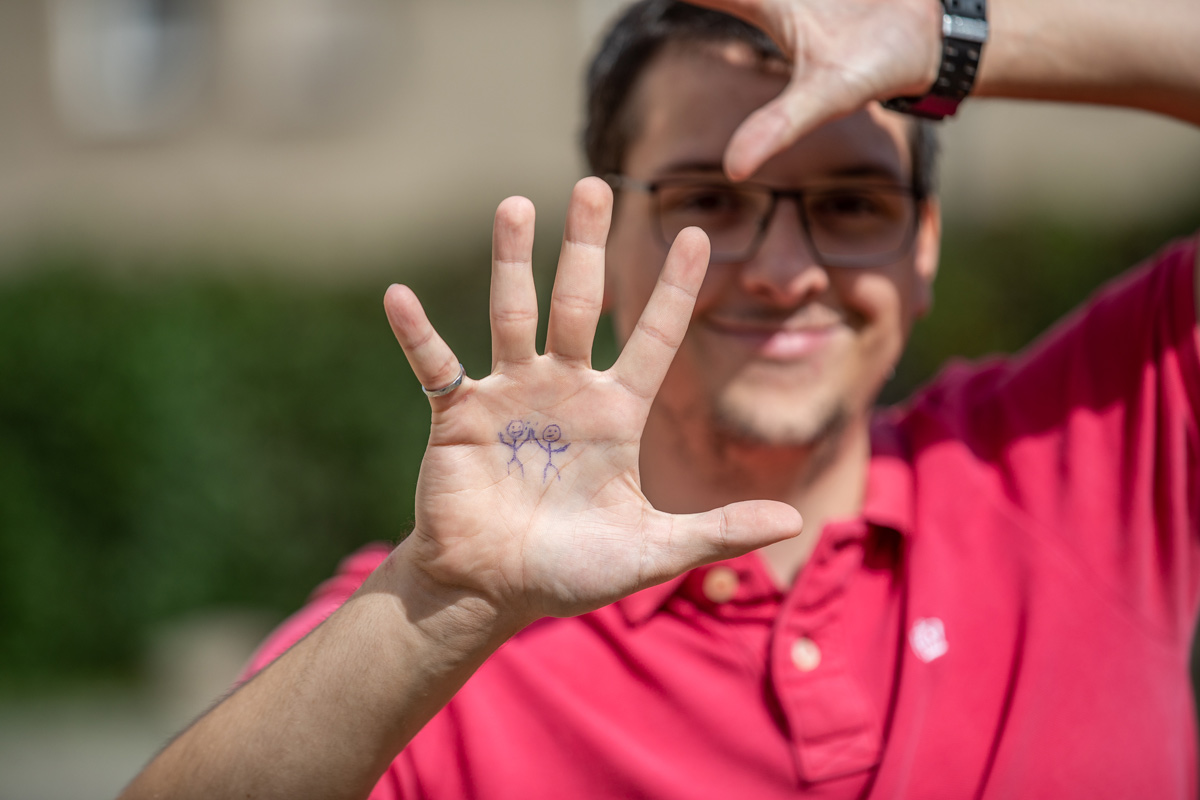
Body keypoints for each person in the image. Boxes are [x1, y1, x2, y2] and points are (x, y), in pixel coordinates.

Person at [121, 0, 1200, 797]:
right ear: (612, 235)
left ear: (923, 244)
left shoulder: (1100, 442)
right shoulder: (453, 614)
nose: (785, 269)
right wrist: (443, 604)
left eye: (853, 200)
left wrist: (951, 35)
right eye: (710, 201)